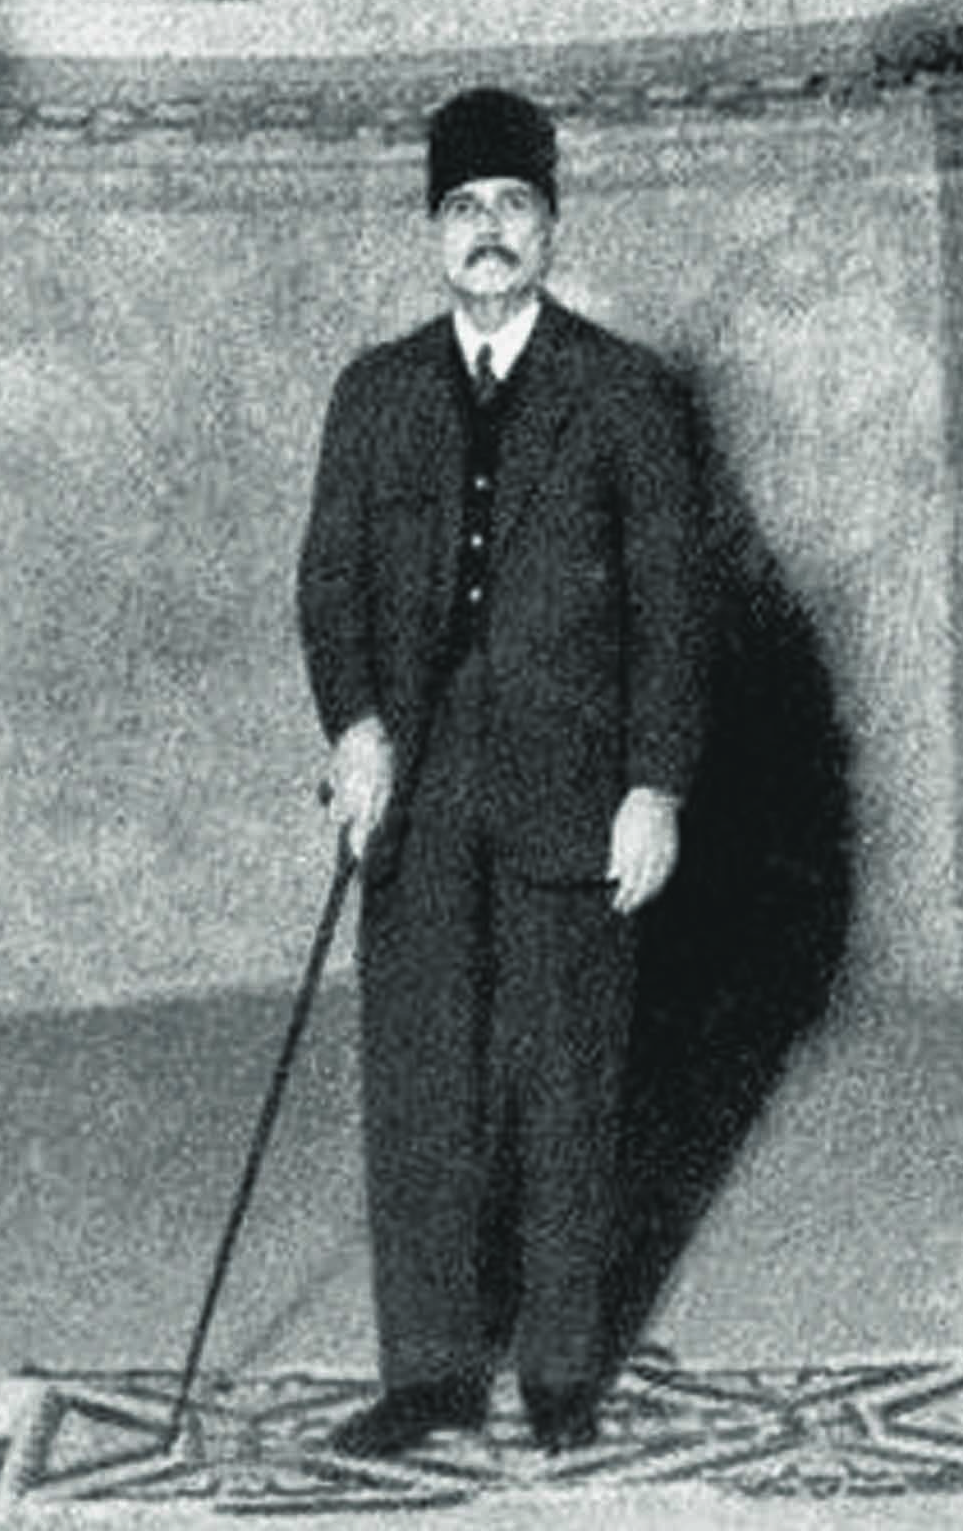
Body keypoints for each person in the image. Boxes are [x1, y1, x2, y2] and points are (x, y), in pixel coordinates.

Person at [297, 84, 707, 1459]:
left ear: (550, 226)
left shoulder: (626, 391)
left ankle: (562, 1372)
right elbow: (331, 583)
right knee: (418, 1081)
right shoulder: (375, 391)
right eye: (464, 210)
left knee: (567, 1078)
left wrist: (655, 785)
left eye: (512, 208)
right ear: (433, 232)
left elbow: (671, 605)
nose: (487, 233)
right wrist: (353, 725)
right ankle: (426, 1374)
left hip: (573, 792)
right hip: (414, 794)